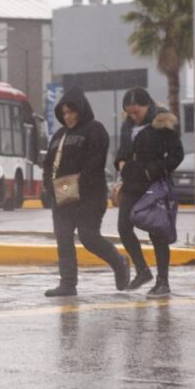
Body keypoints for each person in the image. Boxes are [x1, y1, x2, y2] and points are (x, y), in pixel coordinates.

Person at [42, 87, 130, 297]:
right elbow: (48, 164)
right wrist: (50, 187)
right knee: (63, 238)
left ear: (81, 110)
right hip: (61, 195)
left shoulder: (95, 130)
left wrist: (74, 187)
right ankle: (68, 284)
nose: (68, 116)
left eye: (71, 111)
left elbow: (94, 164)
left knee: (88, 237)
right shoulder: (59, 135)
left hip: (90, 196)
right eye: (64, 113)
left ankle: (119, 263)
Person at [114, 87, 184, 298]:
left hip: (153, 185)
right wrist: (120, 164)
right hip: (131, 183)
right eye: (129, 113)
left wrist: (152, 169)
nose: (133, 116)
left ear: (147, 105)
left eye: (137, 111)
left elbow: (176, 155)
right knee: (124, 227)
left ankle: (163, 281)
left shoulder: (162, 124)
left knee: (157, 231)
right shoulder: (127, 125)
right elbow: (121, 151)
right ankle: (142, 270)